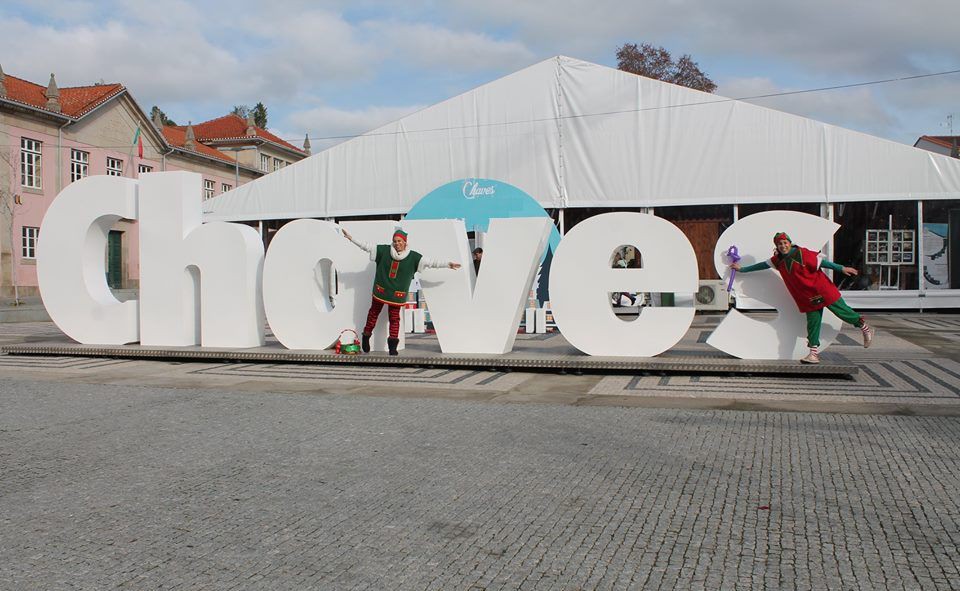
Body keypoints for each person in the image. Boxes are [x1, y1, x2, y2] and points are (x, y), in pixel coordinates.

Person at [730, 231, 874, 364]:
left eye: (785, 243)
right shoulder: (777, 261)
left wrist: (841, 268)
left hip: (823, 289)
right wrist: (742, 269)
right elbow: (761, 265)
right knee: (812, 324)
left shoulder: (802, 254)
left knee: (843, 312)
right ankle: (813, 354)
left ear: (790, 243)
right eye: (780, 244)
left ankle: (865, 328)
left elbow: (823, 263)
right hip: (807, 296)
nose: (783, 245)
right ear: (777, 246)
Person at [342, 228, 461, 355]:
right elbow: (366, 246)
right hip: (381, 290)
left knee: (394, 318)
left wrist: (448, 264)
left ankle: (392, 346)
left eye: (399, 241)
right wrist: (352, 239)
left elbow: (432, 262)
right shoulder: (384, 251)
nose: (397, 243)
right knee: (373, 314)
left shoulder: (414, 257)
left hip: (397, 294)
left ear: (405, 242)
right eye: (394, 241)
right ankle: (366, 336)